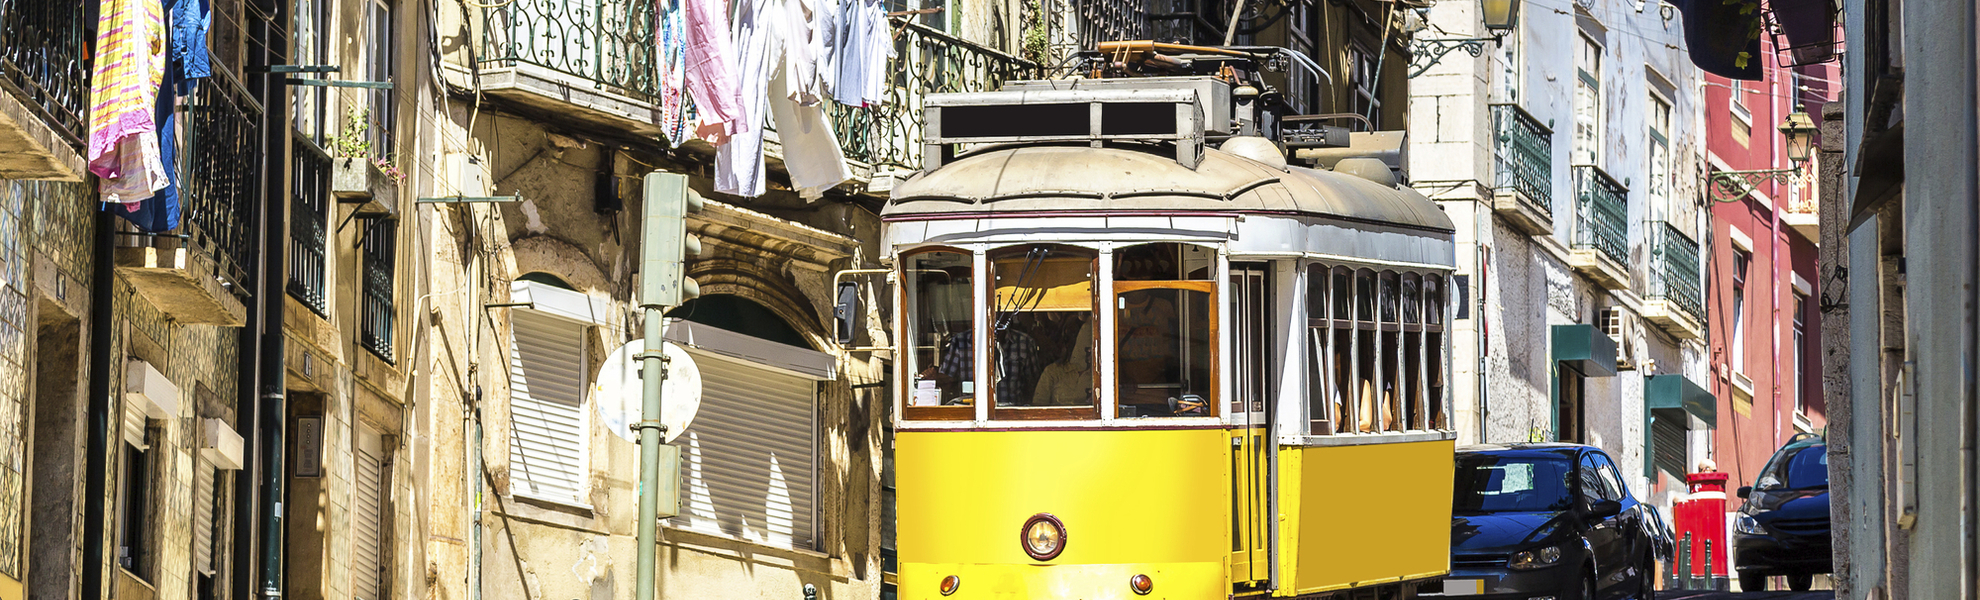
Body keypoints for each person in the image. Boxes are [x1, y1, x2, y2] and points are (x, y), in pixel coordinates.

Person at [1033, 321, 1094, 406]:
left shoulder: (1102, 376)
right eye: (1086, 348)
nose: (1089, 352)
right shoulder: (1053, 372)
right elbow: (1038, 408)